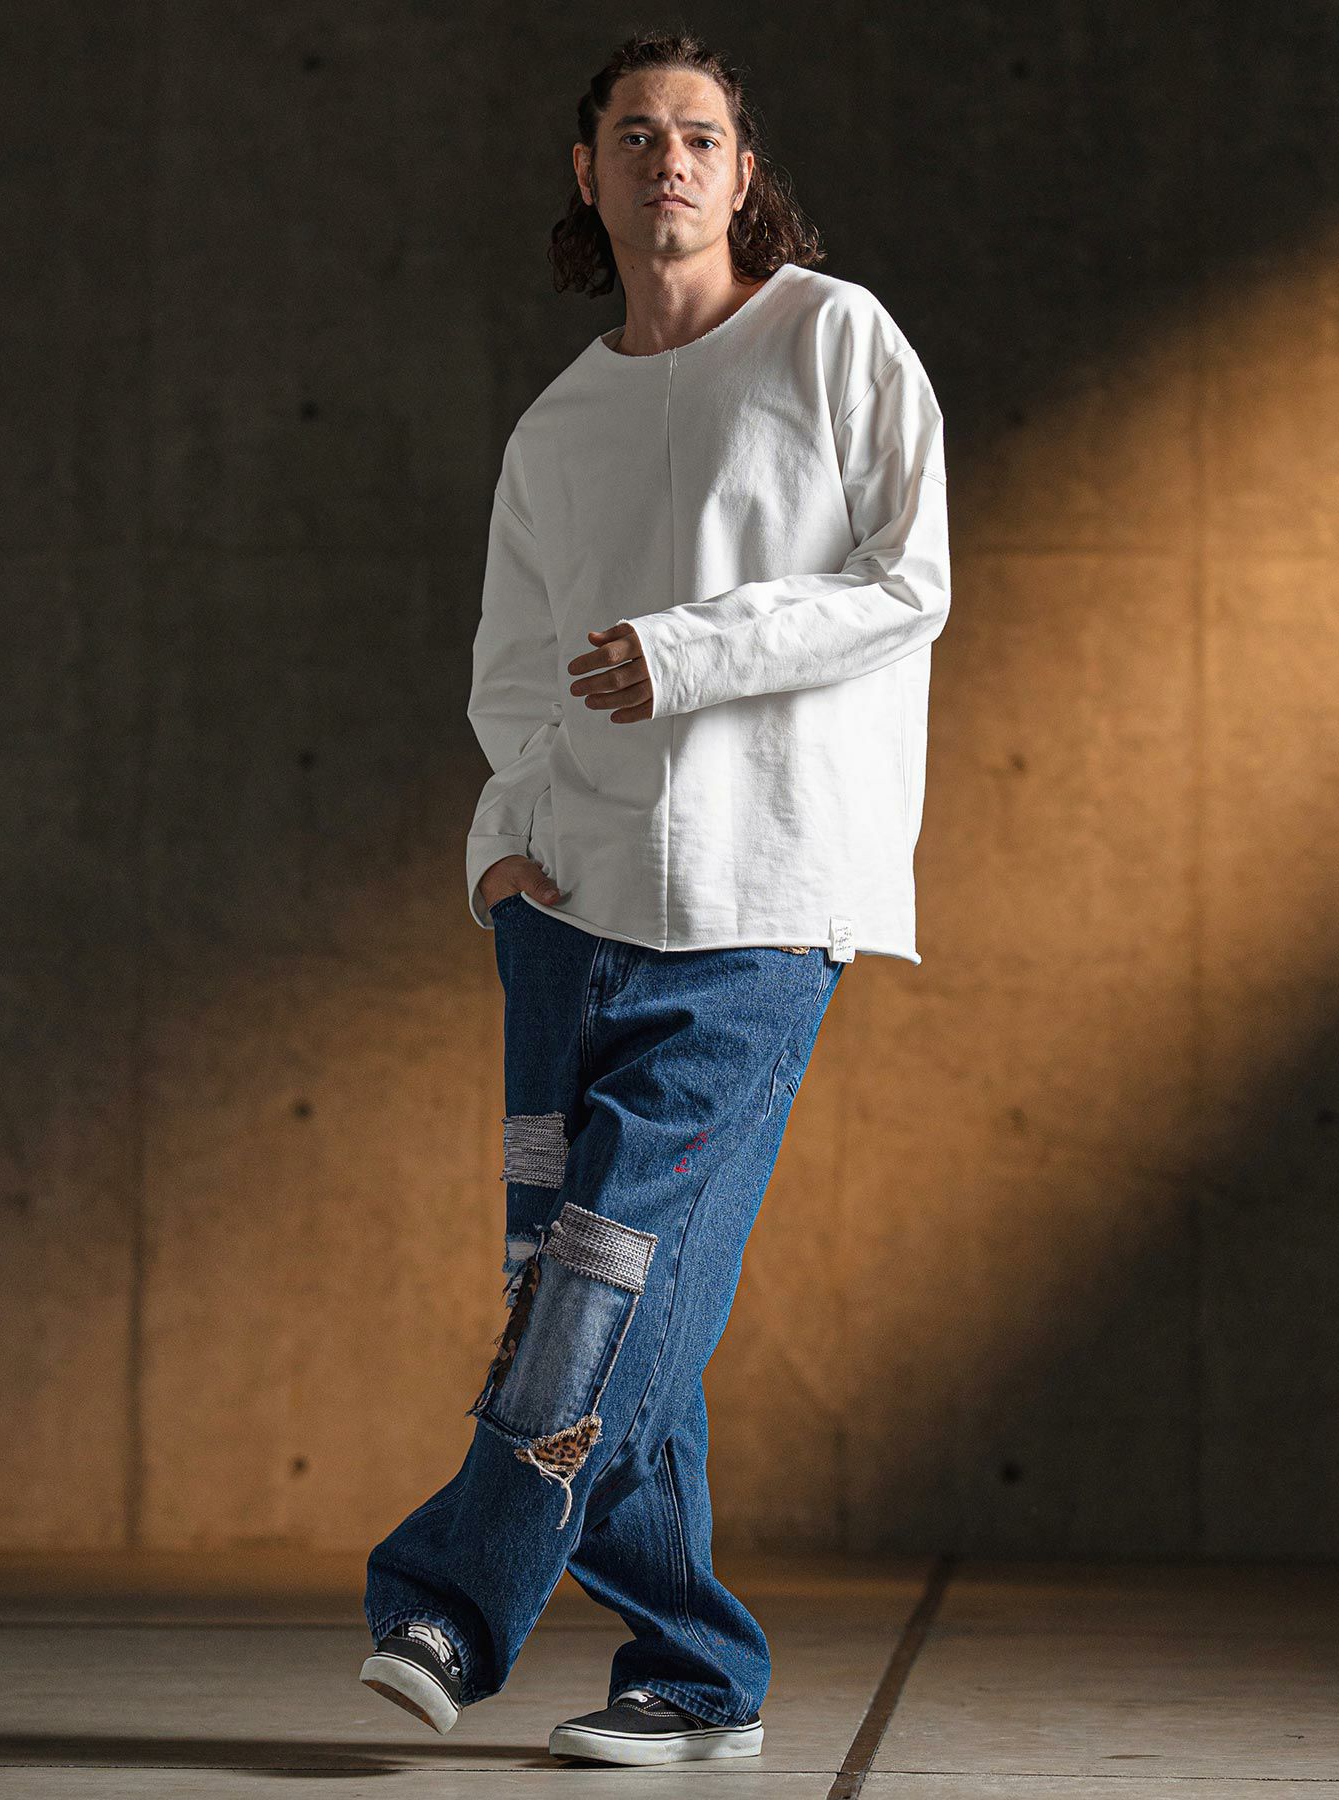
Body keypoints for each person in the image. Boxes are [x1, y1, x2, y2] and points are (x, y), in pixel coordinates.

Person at [360, 28, 950, 1768]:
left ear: (743, 171)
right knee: (593, 1285)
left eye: (700, 136)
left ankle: (449, 1602)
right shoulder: (561, 422)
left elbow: (906, 582)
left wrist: (685, 653)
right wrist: (504, 847)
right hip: (569, 913)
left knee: (606, 1280)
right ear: (589, 171)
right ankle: (695, 1670)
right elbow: (514, 677)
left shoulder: (834, 337)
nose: (669, 161)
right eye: (636, 134)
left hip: (764, 900)